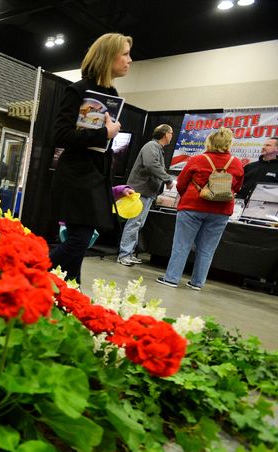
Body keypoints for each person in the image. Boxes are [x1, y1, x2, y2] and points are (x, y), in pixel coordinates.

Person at [49, 33, 132, 283]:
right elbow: (60, 135)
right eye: (125, 54)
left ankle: (70, 299)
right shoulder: (78, 90)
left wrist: (115, 190)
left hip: (95, 177)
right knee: (78, 241)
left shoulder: (111, 92)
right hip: (76, 177)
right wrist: (104, 133)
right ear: (109, 56)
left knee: (79, 245)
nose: (130, 60)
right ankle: (28, 273)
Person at [156, 127, 244, 291]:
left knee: (182, 244)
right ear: (229, 144)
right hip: (221, 211)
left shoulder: (197, 159)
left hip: (192, 207)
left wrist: (188, 197)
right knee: (207, 249)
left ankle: (172, 278)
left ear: (209, 142)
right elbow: (238, 187)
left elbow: (181, 183)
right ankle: (197, 282)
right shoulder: (237, 163)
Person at [117, 124, 175, 266]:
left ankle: (128, 253)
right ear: (165, 134)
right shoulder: (152, 146)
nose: (172, 136)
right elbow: (151, 164)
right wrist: (167, 179)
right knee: (134, 222)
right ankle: (124, 254)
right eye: (171, 133)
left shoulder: (157, 148)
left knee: (138, 223)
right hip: (140, 191)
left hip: (147, 192)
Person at [237, 137, 278, 202]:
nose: (263, 147)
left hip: (266, 209)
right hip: (240, 206)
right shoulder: (250, 166)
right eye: (264, 145)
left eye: (268, 145)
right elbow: (238, 185)